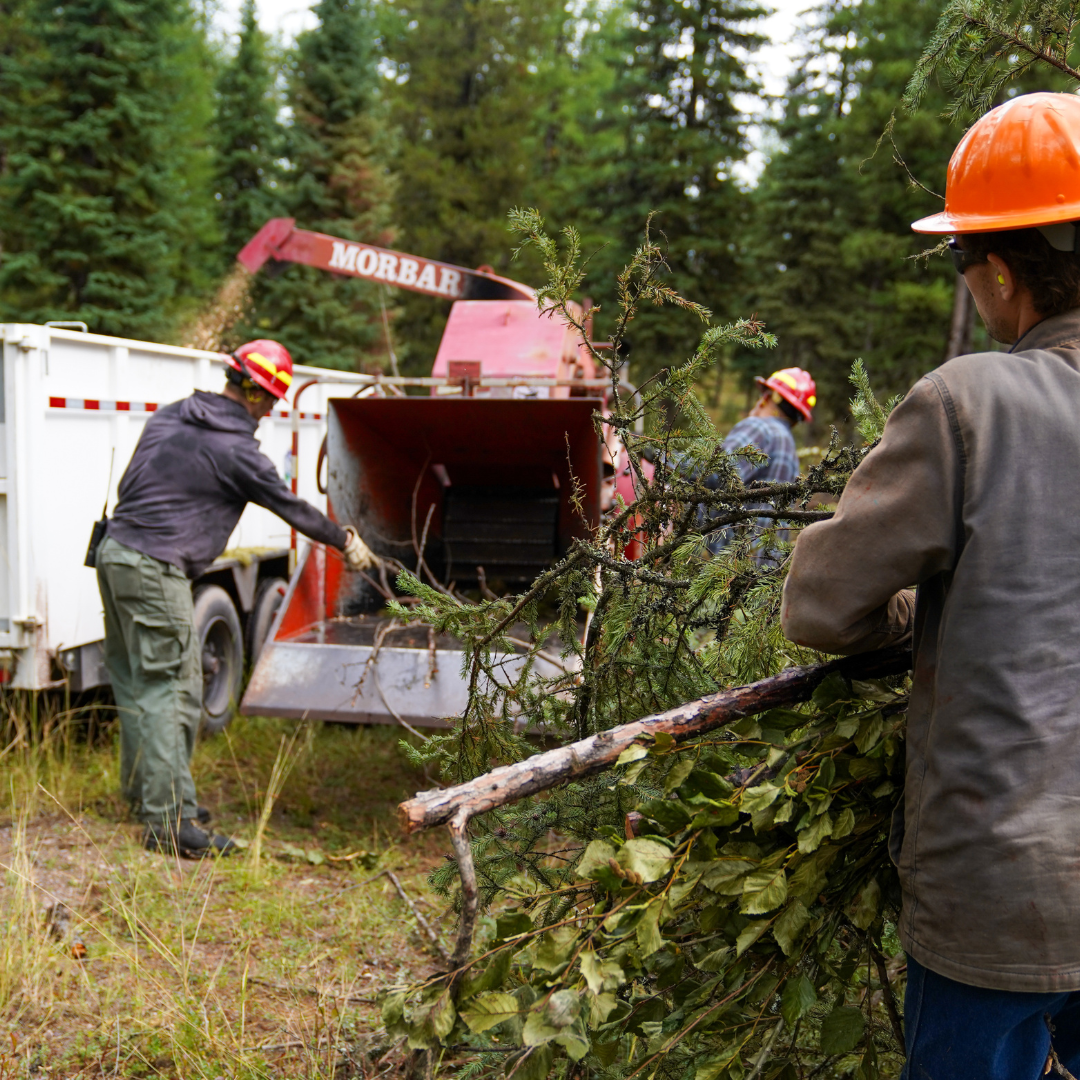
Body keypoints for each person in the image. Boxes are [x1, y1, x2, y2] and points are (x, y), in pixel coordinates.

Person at [780, 92, 1080, 1079]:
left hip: (1008, 885)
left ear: (999, 268)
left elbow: (823, 608)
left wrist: (918, 612)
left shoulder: (971, 404)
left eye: (963, 255)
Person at [96, 340, 377, 858]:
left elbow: (129, 484)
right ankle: (168, 822)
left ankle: (151, 796)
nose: (271, 411)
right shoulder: (237, 453)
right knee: (173, 688)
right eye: (270, 400)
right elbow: (291, 506)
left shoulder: (169, 417)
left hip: (114, 554)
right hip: (156, 569)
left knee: (137, 681)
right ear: (251, 392)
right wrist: (346, 541)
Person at [700, 367, 815, 557]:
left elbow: (715, 473)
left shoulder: (761, 428)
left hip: (722, 565)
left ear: (770, 397)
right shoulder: (790, 451)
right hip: (760, 574)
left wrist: (662, 460)